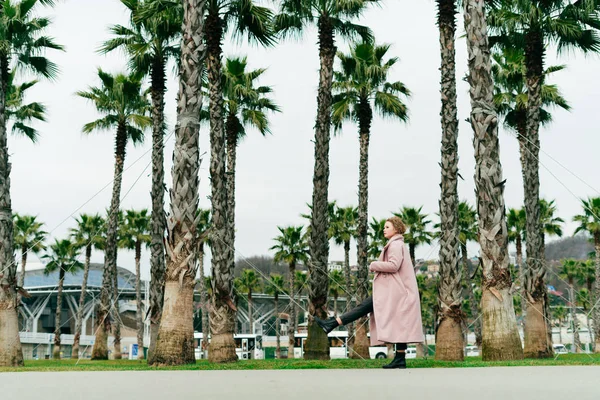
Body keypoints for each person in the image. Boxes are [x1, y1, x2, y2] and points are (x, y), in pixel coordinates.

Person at [314, 216, 424, 369]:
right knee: (393, 320)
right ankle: (400, 359)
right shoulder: (397, 244)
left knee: (367, 308)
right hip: (397, 292)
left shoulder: (395, 245)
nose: (384, 229)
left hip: (396, 292)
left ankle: (332, 323)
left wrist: (373, 264)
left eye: (387, 227)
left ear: (396, 229)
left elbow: (394, 265)